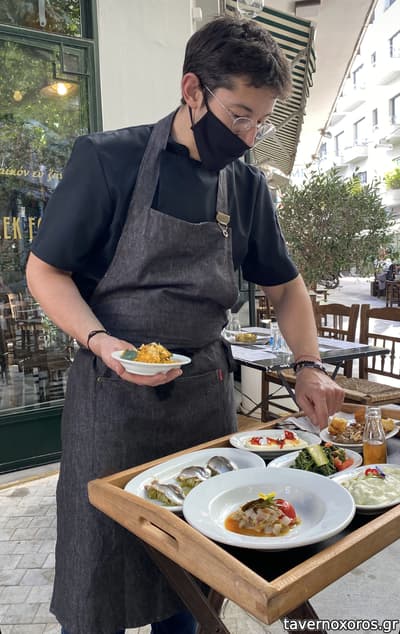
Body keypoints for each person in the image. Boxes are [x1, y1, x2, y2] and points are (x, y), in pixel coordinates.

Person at [25, 14, 344, 634]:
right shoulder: (108, 160)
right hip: (111, 399)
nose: (249, 136)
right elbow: (45, 271)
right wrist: (102, 341)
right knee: (100, 570)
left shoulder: (246, 187)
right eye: (239, 116)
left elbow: (287, 288)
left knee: (192, 576)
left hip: (202, 399)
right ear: (192, 89)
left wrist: (308, 365)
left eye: (261, 121)